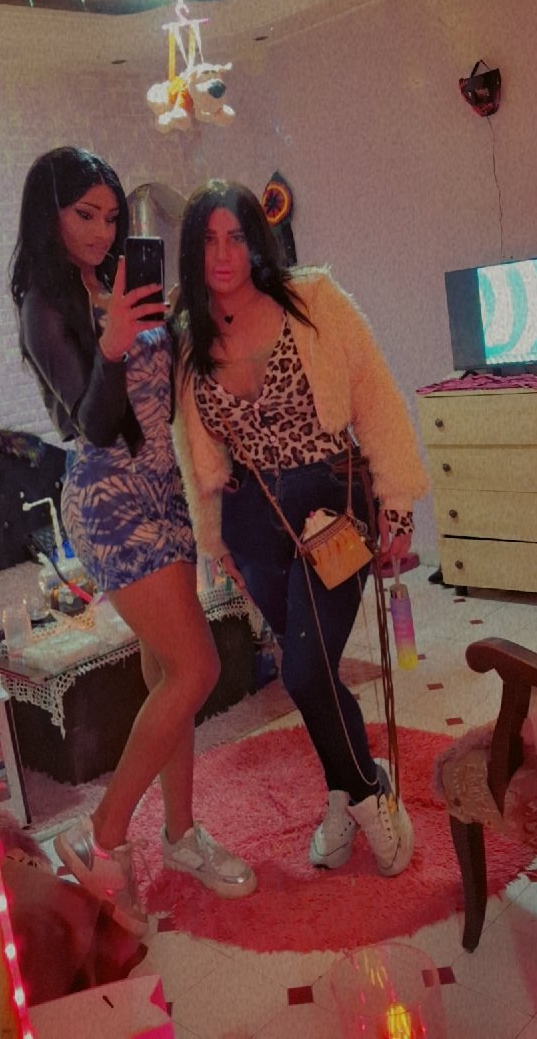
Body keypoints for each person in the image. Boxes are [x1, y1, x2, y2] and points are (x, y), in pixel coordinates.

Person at [9, 149, 256, 935]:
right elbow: (93, 423)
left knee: (166, 670)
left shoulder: (119, 282)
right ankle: (101, 835)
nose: (99, 230)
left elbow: (170, 390)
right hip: (108, 498)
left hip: (163, 487)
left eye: (110, 216)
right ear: (48, 214)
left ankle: (179, 835)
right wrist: (113, 342)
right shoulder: (44, 305)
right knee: (198, 666)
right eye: (84, 213)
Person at [172, 180, 429, 877]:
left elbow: (375, 396)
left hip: (331, 501)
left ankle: (368, 793)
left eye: (235, 237)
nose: (223, 254)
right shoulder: (189, 338)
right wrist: (214, 538)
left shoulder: (314, 299)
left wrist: (397, 504)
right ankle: (345, 789)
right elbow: (195, 451)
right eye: (208, 240)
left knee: (305, 669)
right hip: (254, 517)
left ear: (256, 241)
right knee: (309, 671)